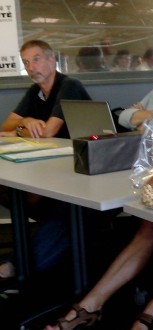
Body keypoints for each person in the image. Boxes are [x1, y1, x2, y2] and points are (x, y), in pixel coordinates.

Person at [45, 45, 153, 330]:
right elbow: (120, 116)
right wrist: (150, 115)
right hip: (145, 167)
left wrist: (146, 116)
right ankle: (92, 304)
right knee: (141, 224)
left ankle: (111, 307)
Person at [0, 40, 91, 281]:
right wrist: (25, 121)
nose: (31, 67)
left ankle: (19, 263)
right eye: (26, 62)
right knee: (9, 190)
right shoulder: (36, 91)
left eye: (37, 59)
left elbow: (48, 131)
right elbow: (6, 127)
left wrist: (20, 128)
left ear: (52, 60)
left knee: (58, 216)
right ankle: (25, 256)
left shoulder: (69, 86)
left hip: (83, 176)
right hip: (55, 170)